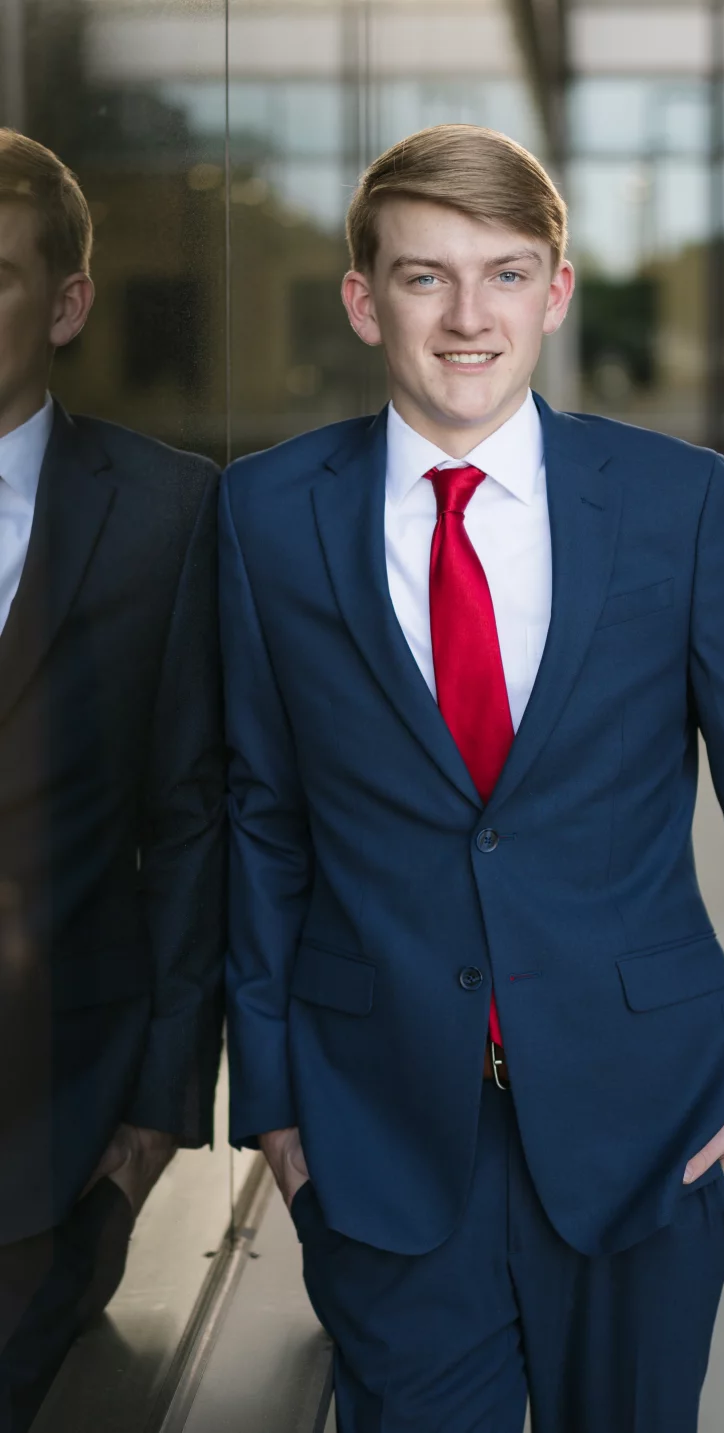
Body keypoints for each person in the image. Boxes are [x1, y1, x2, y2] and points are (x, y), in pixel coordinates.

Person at [223, 124, 724, 1433]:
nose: (470, 317)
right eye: (424, 276)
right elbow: (261, 825)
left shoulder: (674, 503)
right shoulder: (265, 515)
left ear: (557, 293)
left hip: (652, 1134)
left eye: (507, 274)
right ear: (362, 299)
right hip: (377, 1137)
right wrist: (278, 1111)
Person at [0, 130, 225, 1433]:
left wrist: (159, 1112)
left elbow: (193, 820)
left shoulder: (168, 515)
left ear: (68, 303)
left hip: (53, 1142)